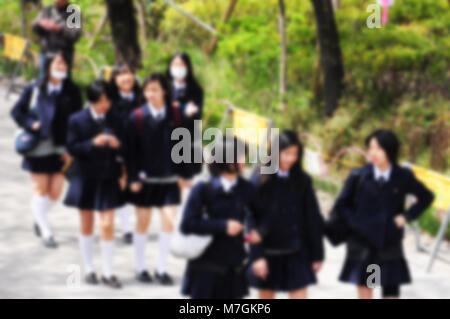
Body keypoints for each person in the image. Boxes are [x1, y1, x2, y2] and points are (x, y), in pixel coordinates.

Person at [327, 129, 434, 299]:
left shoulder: (402, 176)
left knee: (390, 293)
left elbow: (426, 197)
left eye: (378, 148)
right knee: (369, 287)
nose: (372, 153)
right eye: (370, 148)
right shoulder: (359, 176)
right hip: (365, 245)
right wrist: (356, 223)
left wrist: (406, 217)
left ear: (390, 151)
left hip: (389, 245)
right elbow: (342, 206)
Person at [11, 52, 82, 248]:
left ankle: (38, 214)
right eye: (57, 64)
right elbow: (16, 112)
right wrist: (30, 123)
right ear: (48, 65)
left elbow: (77, 120)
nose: (61, 67)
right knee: (41, 189)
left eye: (64, 64)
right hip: (38, 146)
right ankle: (46, 231)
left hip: (61, 147)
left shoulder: (72, 91)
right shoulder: (34, 88)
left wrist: (73, 147)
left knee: (55, 192)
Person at [180, 136, 262, 299]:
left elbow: (262, 216)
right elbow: (188, 224)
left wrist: (258, 232)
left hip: (234, 268)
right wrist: (223, 226)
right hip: (205, 268)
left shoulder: (248, 189)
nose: (244, 160)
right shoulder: (203, 188)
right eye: (240, 156)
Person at [248, 130, 324, 299]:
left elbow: (312, 218)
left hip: (297, 250)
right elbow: (250, 219)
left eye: (295, 154)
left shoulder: (303, 180)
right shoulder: (260, 178)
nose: (291, 158)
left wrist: (317, 254)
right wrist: (257, 256)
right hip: (268, 251)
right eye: (286, 153)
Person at [64, 80, 124, 289]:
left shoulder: (115, 118)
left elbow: (126, 143)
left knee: (107, 224)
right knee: (87, 223)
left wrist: (118, 145)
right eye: (100, 101)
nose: (104, 105)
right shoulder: (77, 120)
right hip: (85, 177)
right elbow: (71, 147)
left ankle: (109, 272)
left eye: (107, 100)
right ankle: (89, 268)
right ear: (91, 100)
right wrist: (92, 143)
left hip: (108, 176)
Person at [126, 73, 181, 285]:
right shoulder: (137, 117)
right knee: (143, 222)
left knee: (168, 222)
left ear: (165, 91)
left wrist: (185, 175)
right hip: (144, 180)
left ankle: (161, 269)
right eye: (148, 90)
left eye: (155, 89)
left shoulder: (176, 116)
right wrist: (132, 177)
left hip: (169, 180)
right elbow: (130, 152)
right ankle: (141, 268)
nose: (151, 94)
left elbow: (184, 147)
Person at [109, 62, 141, 244]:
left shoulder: (141, 97)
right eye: (121, 74)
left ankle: (128, 226)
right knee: (121, 183)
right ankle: (127, 228)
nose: (126, 77)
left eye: (129, 73)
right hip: (117, 148)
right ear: (114, 80)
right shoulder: (110, 99)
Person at [166, 52, 204, 185]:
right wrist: (183, 110)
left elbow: (196, 115)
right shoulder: (164, 86)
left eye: (181, 64)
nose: (178, 68)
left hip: (186, 137)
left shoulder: (195, 89)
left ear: (187, 67)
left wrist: (178, 110)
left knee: (183, 180)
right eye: (175, 64)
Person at [32, 0, 82, 76]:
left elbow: (75, 35)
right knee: (44, 82)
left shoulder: (74, 12)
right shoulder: (47, 10)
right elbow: (35, 26)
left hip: (64, 55)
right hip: (46, 52)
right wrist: (40, 25)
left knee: (62, 84)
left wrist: (59, 29)